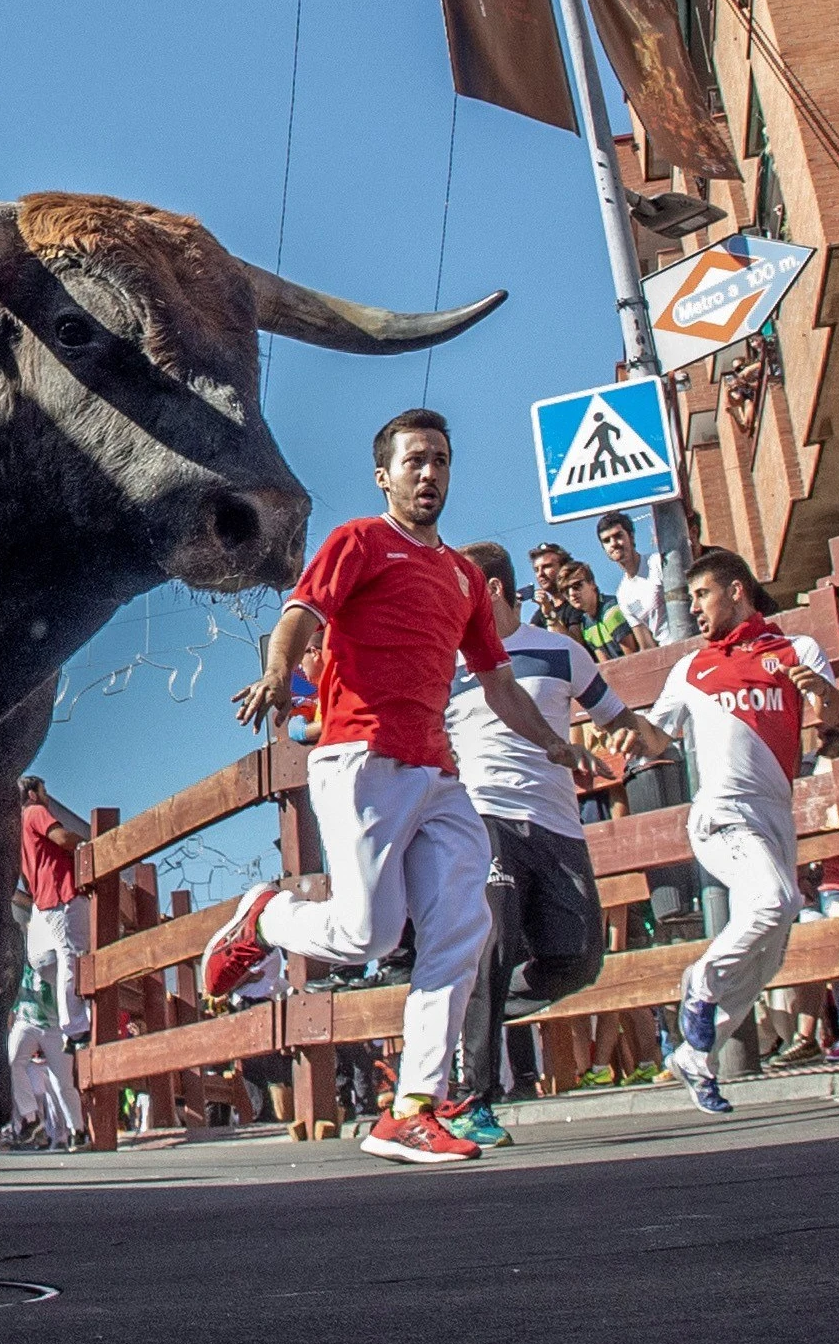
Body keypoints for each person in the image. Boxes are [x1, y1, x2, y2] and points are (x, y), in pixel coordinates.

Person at [201, 409, 599, 1165]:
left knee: (462, 927)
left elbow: (499, 684)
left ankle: (410, 1107)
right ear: (384, 475)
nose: (429, 473)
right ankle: (267, 917)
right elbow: (300, 612)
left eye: (441, 460)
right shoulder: (359, 541)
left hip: (439, 774)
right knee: (368, 935)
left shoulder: (462, 579)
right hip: (360, 758)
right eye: (414, 460)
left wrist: (554, 745)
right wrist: (274, 675)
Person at [441, 541, 656, 1148]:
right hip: (487, 816)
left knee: (579, 960)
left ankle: (470, 1016)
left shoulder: (562, 652)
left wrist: (639, 736)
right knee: (495, 944)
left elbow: (615, 717)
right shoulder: (449, 664)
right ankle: (476, 1098)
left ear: (495, 592)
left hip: (558, 824)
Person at [623, 549, 839, 1115]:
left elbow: (834, 711)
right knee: (774, 900)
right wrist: (626, 737)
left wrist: (818, 690)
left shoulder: (796, 650)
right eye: (690, 597)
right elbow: (657, 736)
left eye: (702, 594)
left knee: (772, 950)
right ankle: (699, 982)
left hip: (774, 814)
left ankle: (699, 1054)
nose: (693, 607)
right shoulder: (692, 669)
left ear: (737, 590)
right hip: (721, 813)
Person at [18, 776, 91, 1040]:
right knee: (74, 956)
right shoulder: (35, 812)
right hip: (61, 892)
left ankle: (72, 1023)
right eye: (44, 791)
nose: (47, 797)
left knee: (63, 959)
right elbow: (61, 838)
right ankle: (76, 1026)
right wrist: (88, 844)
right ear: (33, 794)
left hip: (45, 899)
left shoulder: (17, 827)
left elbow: (26, 879)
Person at [7, 960, 77, 1150]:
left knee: (61, 1088)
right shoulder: (21, 972)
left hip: (54, 1032)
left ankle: (72, 1132)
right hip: (33, 1049)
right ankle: (33, 1119)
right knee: (18, 1070)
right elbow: (14, 1008)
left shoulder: (52, 967)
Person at [597, 511, 677, 645]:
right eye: (606, 540)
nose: (613, 543)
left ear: (631, 537)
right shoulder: (623, 595)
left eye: (618, 536)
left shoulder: (657, 563)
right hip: (668, 652)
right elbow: (646, 645)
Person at [562, 560, 645, 660]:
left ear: (592, 584)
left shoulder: (612, 611)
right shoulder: (585, 624)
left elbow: (632, 658)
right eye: (566, 591)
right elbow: (604, 665)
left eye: (577, 586)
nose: (572, 593)